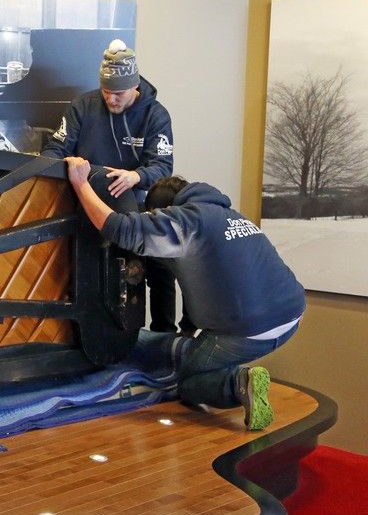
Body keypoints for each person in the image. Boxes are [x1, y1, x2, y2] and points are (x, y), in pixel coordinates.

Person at [63, 157, 306, 430]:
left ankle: (238, 383)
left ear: (163, 210)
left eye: (153, 215)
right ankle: (220, 367)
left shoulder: (188, 220)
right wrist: (188, 329)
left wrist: (81, 183)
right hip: (291, 317)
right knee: (192, 351)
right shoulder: (230, 216)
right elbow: (204, 281)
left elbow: (120, 228)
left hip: (247, 331)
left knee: (189, 384)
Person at [41, 39, 189, 334]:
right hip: (84, 203)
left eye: (119, 93)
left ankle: (164, 336)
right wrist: (69, 164)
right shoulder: (83, 106)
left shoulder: (156, 115)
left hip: (136, 204)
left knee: (161, 267)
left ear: (134, 87)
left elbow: (162, 166)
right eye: (106, 92)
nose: (112, 100)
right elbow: (52, 152)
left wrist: (136, 177)